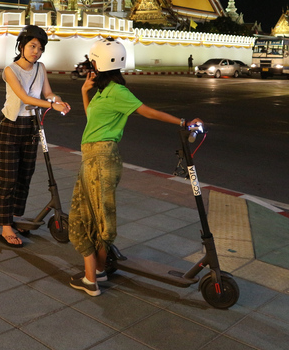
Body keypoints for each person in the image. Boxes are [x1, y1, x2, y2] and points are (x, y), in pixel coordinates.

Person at [68, 38, 201, 296]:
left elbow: (148, 112)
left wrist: (183, 123)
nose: (89, 66)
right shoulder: (103, 91)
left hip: (101, 159)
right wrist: (84, 92)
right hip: (93, 157)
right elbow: (92, 121)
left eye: (91, 62)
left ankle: (90, 280)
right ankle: (99, 270)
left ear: (97, 63)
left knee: (88, 216)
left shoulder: (118, 92)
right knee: (94, 213)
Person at [0, 25, 70, 248]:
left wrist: (58, 100)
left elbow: (47, 92)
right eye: (32, 46)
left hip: (31, 127)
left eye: (40, 48)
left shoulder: (41, 68)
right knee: (9, 179)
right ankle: (5, 226)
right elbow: (25, 98)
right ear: (21, 46)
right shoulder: (10, 70)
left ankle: (15, 217)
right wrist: (51, 105)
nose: (36, 51)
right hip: (10, 127)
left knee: (25, 177)